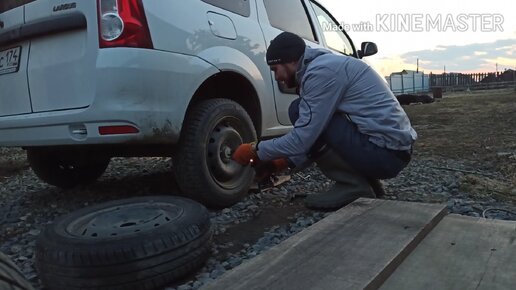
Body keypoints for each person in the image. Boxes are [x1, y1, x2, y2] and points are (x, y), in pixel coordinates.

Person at [232, 32, 417, 209]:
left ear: (291, 61)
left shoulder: (321, 72)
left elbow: (304, 139)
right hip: (389, 151)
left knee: (299, 111)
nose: (277, 77)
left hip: (385, 155)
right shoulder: (327, 65)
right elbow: (312, 135)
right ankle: (368, 183)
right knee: (306, 112)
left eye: (275, 69)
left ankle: (353, 186)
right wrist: (282, 162)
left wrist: (256, 150)